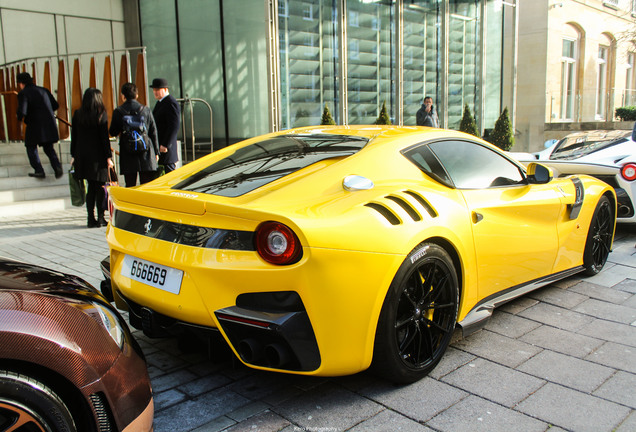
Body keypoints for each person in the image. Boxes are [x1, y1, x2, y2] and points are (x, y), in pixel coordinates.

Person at [70, 88, 114, 228]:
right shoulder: (101, 114)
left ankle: (90, 219)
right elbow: (104, 138)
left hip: (82, 156)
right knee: (100, 187)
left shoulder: (78, 114)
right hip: (98, 157)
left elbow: (74, 137)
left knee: (90, 188)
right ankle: (101, 218)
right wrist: (108, 156)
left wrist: (73, 155)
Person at [109, 83, 159, 187]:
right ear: (137, 95)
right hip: (145, 152)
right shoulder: (146, 110)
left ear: (123, 96)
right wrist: (156, 152)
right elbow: (153, 131)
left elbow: (113, 131)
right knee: (146, 185)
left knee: (130, 184)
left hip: (128, 153)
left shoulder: (118, 111)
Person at [16, 72, 64, 179]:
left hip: (34, 124)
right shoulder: (44, 90)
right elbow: (55, 105)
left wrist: (19, 117)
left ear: (20, 83)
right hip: (49, 124)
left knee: (31, 147)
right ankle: (57, 166)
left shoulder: (24, 93)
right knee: (48, 147)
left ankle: (39, 170)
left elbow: (22, 111)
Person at [150, 78, 181, 174]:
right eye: (154, 90)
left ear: (165, 89)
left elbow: (174, 126)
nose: (155, 92)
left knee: (169, 173)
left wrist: (166, 144)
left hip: (166, 148)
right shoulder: (160, 102)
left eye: (158, 90)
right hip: (160, 145)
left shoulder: (170, 103)